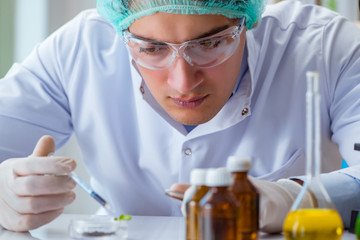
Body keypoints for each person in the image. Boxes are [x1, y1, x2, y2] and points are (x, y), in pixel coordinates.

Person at [0, 0, 360, 233]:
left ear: (245, 21)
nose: (183, 81)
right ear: (123, 33)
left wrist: (296, 198)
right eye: (152, 48)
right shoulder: (77, 50)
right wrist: (5, 190)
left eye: (210, 43)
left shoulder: (327, 48)